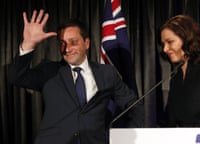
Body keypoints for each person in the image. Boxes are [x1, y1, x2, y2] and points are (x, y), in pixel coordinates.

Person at [8, 9, 144, 144]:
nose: (67, 49)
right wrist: (28, 44)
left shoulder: (106, 73)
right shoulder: (49, 71)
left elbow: (133, 104)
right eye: (62, 43)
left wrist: (128, 135)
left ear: (87, 43)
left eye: (73, 42)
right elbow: (16, 77)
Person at [159, 14, 200, 127]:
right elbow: (169, 122)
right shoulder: (176, 78)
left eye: (170, 42)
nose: (165, 49)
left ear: (187, 39)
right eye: (163, 44)